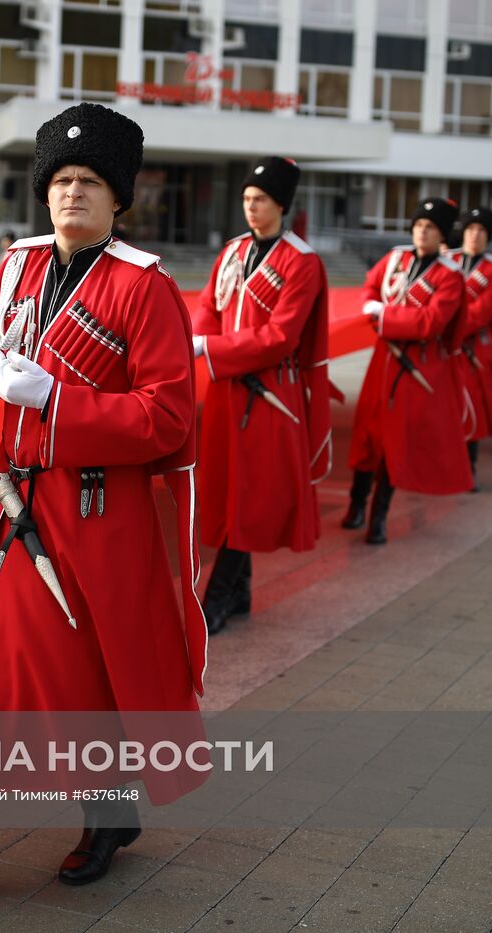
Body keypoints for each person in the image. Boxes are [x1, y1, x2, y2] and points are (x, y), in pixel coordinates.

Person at [0, 103, 206, 931]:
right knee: (19, 676)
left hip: (96, 513)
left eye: (90, 182)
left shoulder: (146, 287)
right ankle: (103, 814)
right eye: (61, 180)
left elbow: (169, 418)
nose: (73, 193)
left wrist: (59, 401)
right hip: (9, 506)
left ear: (117, 200)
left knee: (42, 678)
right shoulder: (19, 267)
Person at [191, 157, 330, 635]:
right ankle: (242, 590)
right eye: (247, 199)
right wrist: (206, 341)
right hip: (229, 386)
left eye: (261, 200)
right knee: (230, 488)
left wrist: (212, 347)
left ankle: (217, 597)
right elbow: (209, 308)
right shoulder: (230, 251)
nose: (251, 207)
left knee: (249, 494)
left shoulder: (302, 261)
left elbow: (282, 336)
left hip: (271, 393)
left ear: (281, 205)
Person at [344, 198, 472, 544]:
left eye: (430, 227)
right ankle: (356, 504)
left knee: (394, 442)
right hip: (383, 362)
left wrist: (384, 316)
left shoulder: (449, 276)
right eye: (418, 226)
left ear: (442, 234)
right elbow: (370, 289)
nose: (421, 232)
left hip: (416, 367)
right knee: (367, 434)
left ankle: (378, 517)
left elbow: (430, 323)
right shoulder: (394, 259)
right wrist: (376, 309)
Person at [447, 207, 492, 483]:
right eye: (471, 229)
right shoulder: (448, 260)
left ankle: (469, 467)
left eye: (482, 230)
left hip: (472, 348)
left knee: (472, 404)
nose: (475, 235)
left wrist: (445, 324)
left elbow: (484, 312)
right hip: (445, 346)